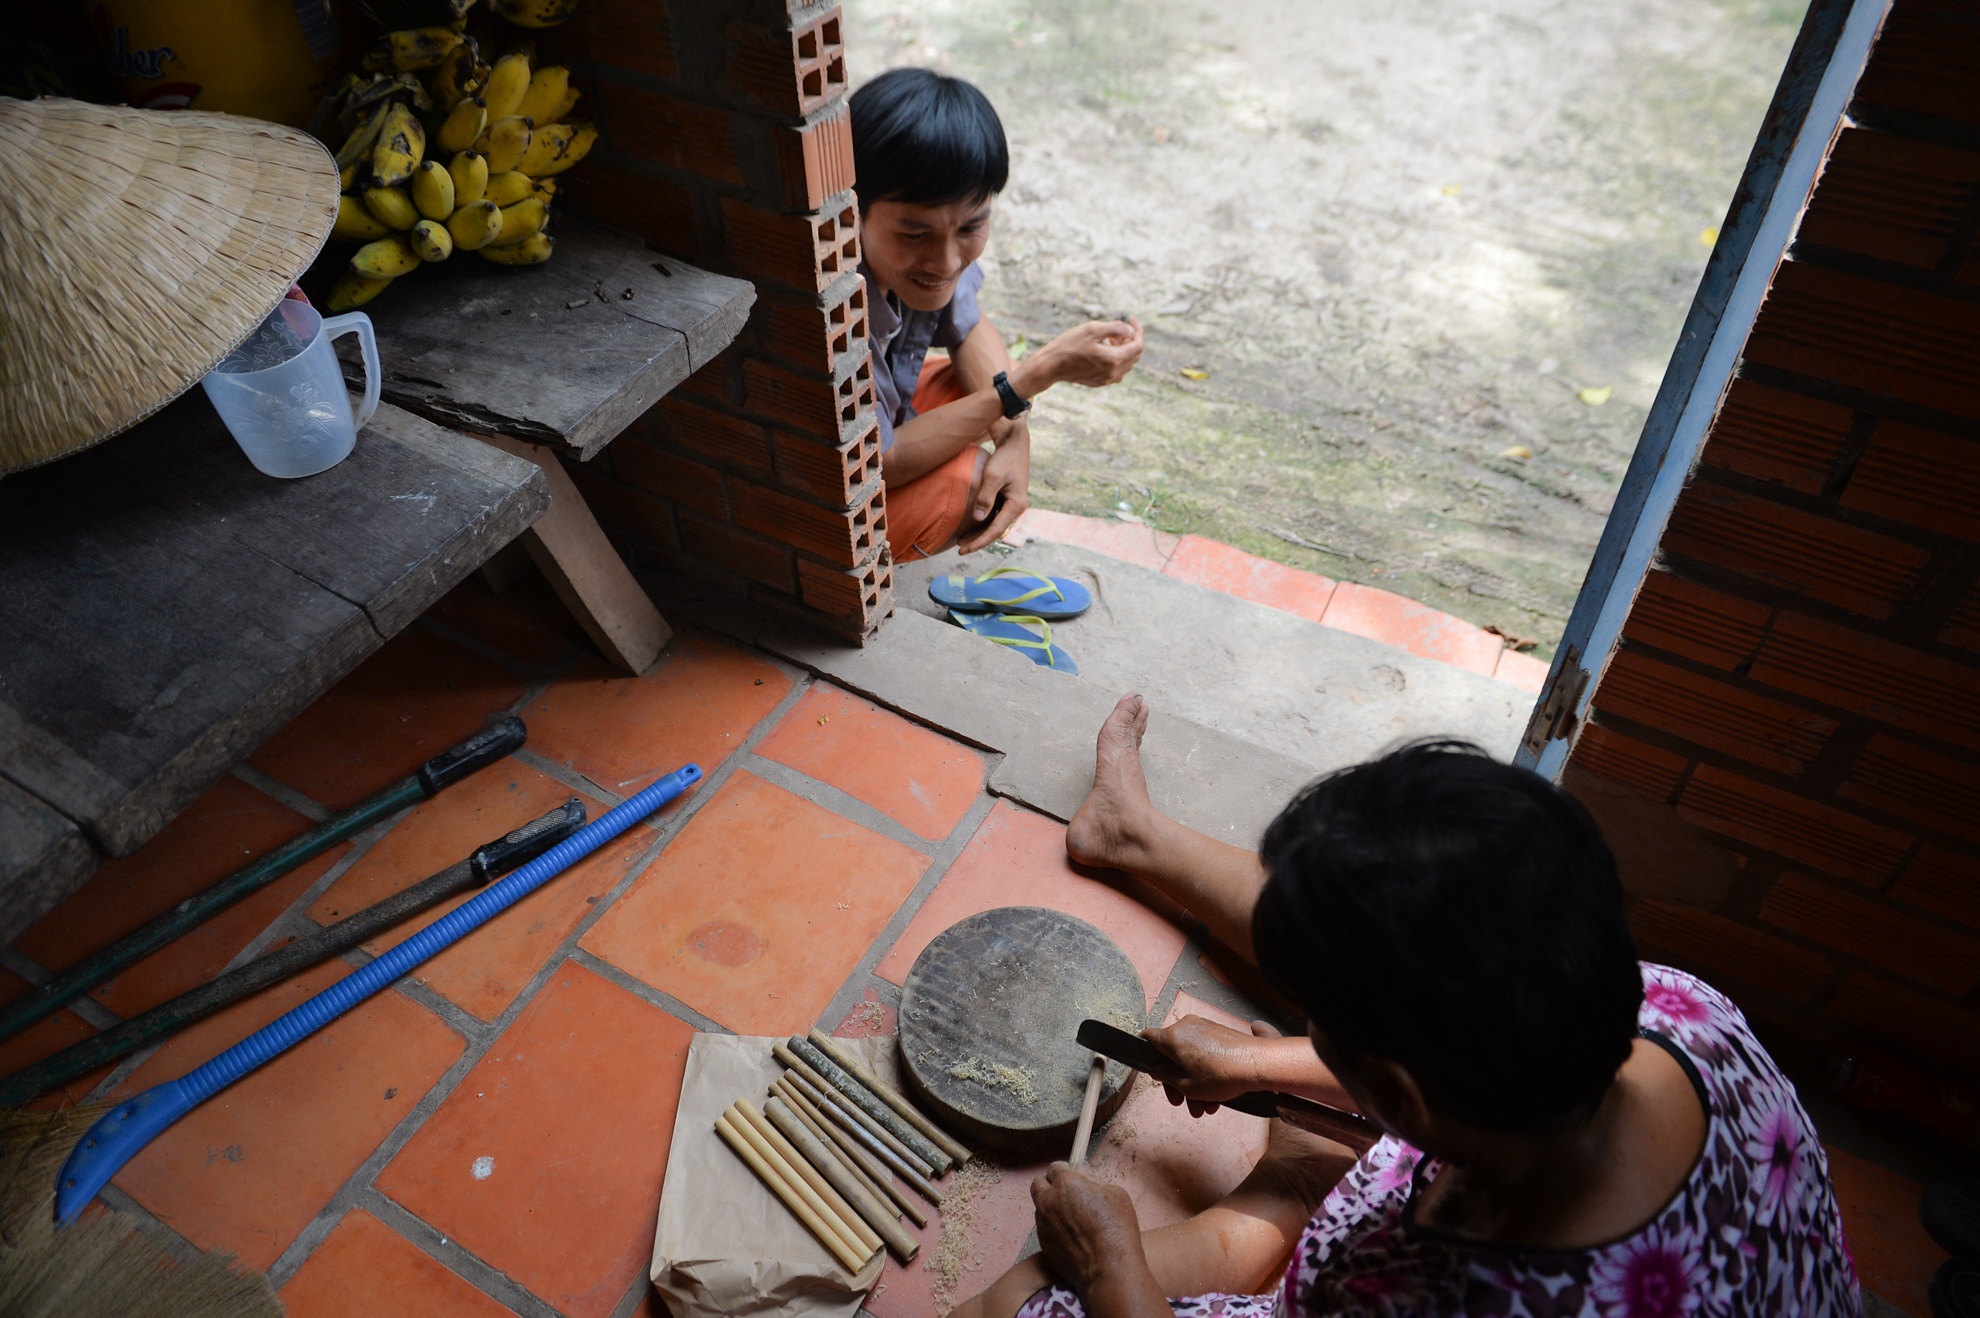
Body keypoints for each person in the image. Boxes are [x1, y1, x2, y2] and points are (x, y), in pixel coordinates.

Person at [953, 694, 1861, 1318]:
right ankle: (1135, 835)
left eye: (1323, 1032)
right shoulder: (1679, 1012)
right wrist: (1255, 1062)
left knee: (1017, 1300)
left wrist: (1112, 1266)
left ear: (1404, 1094)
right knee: (1381, 929)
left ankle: (1286, 1194)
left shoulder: (1462, 1299)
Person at [850, 68, 1144, 561]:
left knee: (965, 388)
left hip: (881, 423)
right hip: (837, 485)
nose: (946, 262)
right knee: (973, 487)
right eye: (914, 235)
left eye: (971, 225)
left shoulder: (933, 251)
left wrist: (1014, 436)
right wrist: (1033, 377)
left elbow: (968, 327)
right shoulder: (834, 301)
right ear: (852, 210)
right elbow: (877, 460)